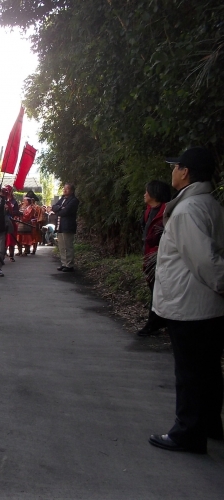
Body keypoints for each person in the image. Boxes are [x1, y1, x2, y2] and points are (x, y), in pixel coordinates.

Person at [148, 147, 224, 455]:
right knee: (207, 369)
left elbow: (206, 262)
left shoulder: (188, 210)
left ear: (186, 172)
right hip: (205, 305)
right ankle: (209, 423)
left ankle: (188, 433)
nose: (172, 171)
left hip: (190, 304)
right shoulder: (209, 204)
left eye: (176, 167)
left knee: (190, 371)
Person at [136, 180, 172, 337]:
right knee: (154, 289)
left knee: (160, 290)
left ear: (154, 194)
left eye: (147, 192)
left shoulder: (167, 212)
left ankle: (155, 323)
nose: (145, 194)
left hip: (161, 256)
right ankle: (158, 320)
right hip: (149, 255)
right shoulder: (148, 211)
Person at [52, 183, 79, 272]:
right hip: (60, 226)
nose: (64, 190)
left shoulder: (74, 200)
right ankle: (64, 263)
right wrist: (60, 208)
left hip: (68, 225)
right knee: (62, 246)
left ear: (71, 190)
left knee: (68, 245)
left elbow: (66, 211)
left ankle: (69, 264)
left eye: (67, 189)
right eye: (64, 188)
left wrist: (58, 210)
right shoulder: (62, 199)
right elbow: (53, 207)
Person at [4, 185, 20, 261]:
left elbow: (16, 212)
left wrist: (10, 211)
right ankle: (2, 254)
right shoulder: (1, 200)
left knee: (11, 239)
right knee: (1, 240)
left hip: (11, 222)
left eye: (7, 191)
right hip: (2, 222)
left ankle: (11, 255)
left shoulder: (14, 202)